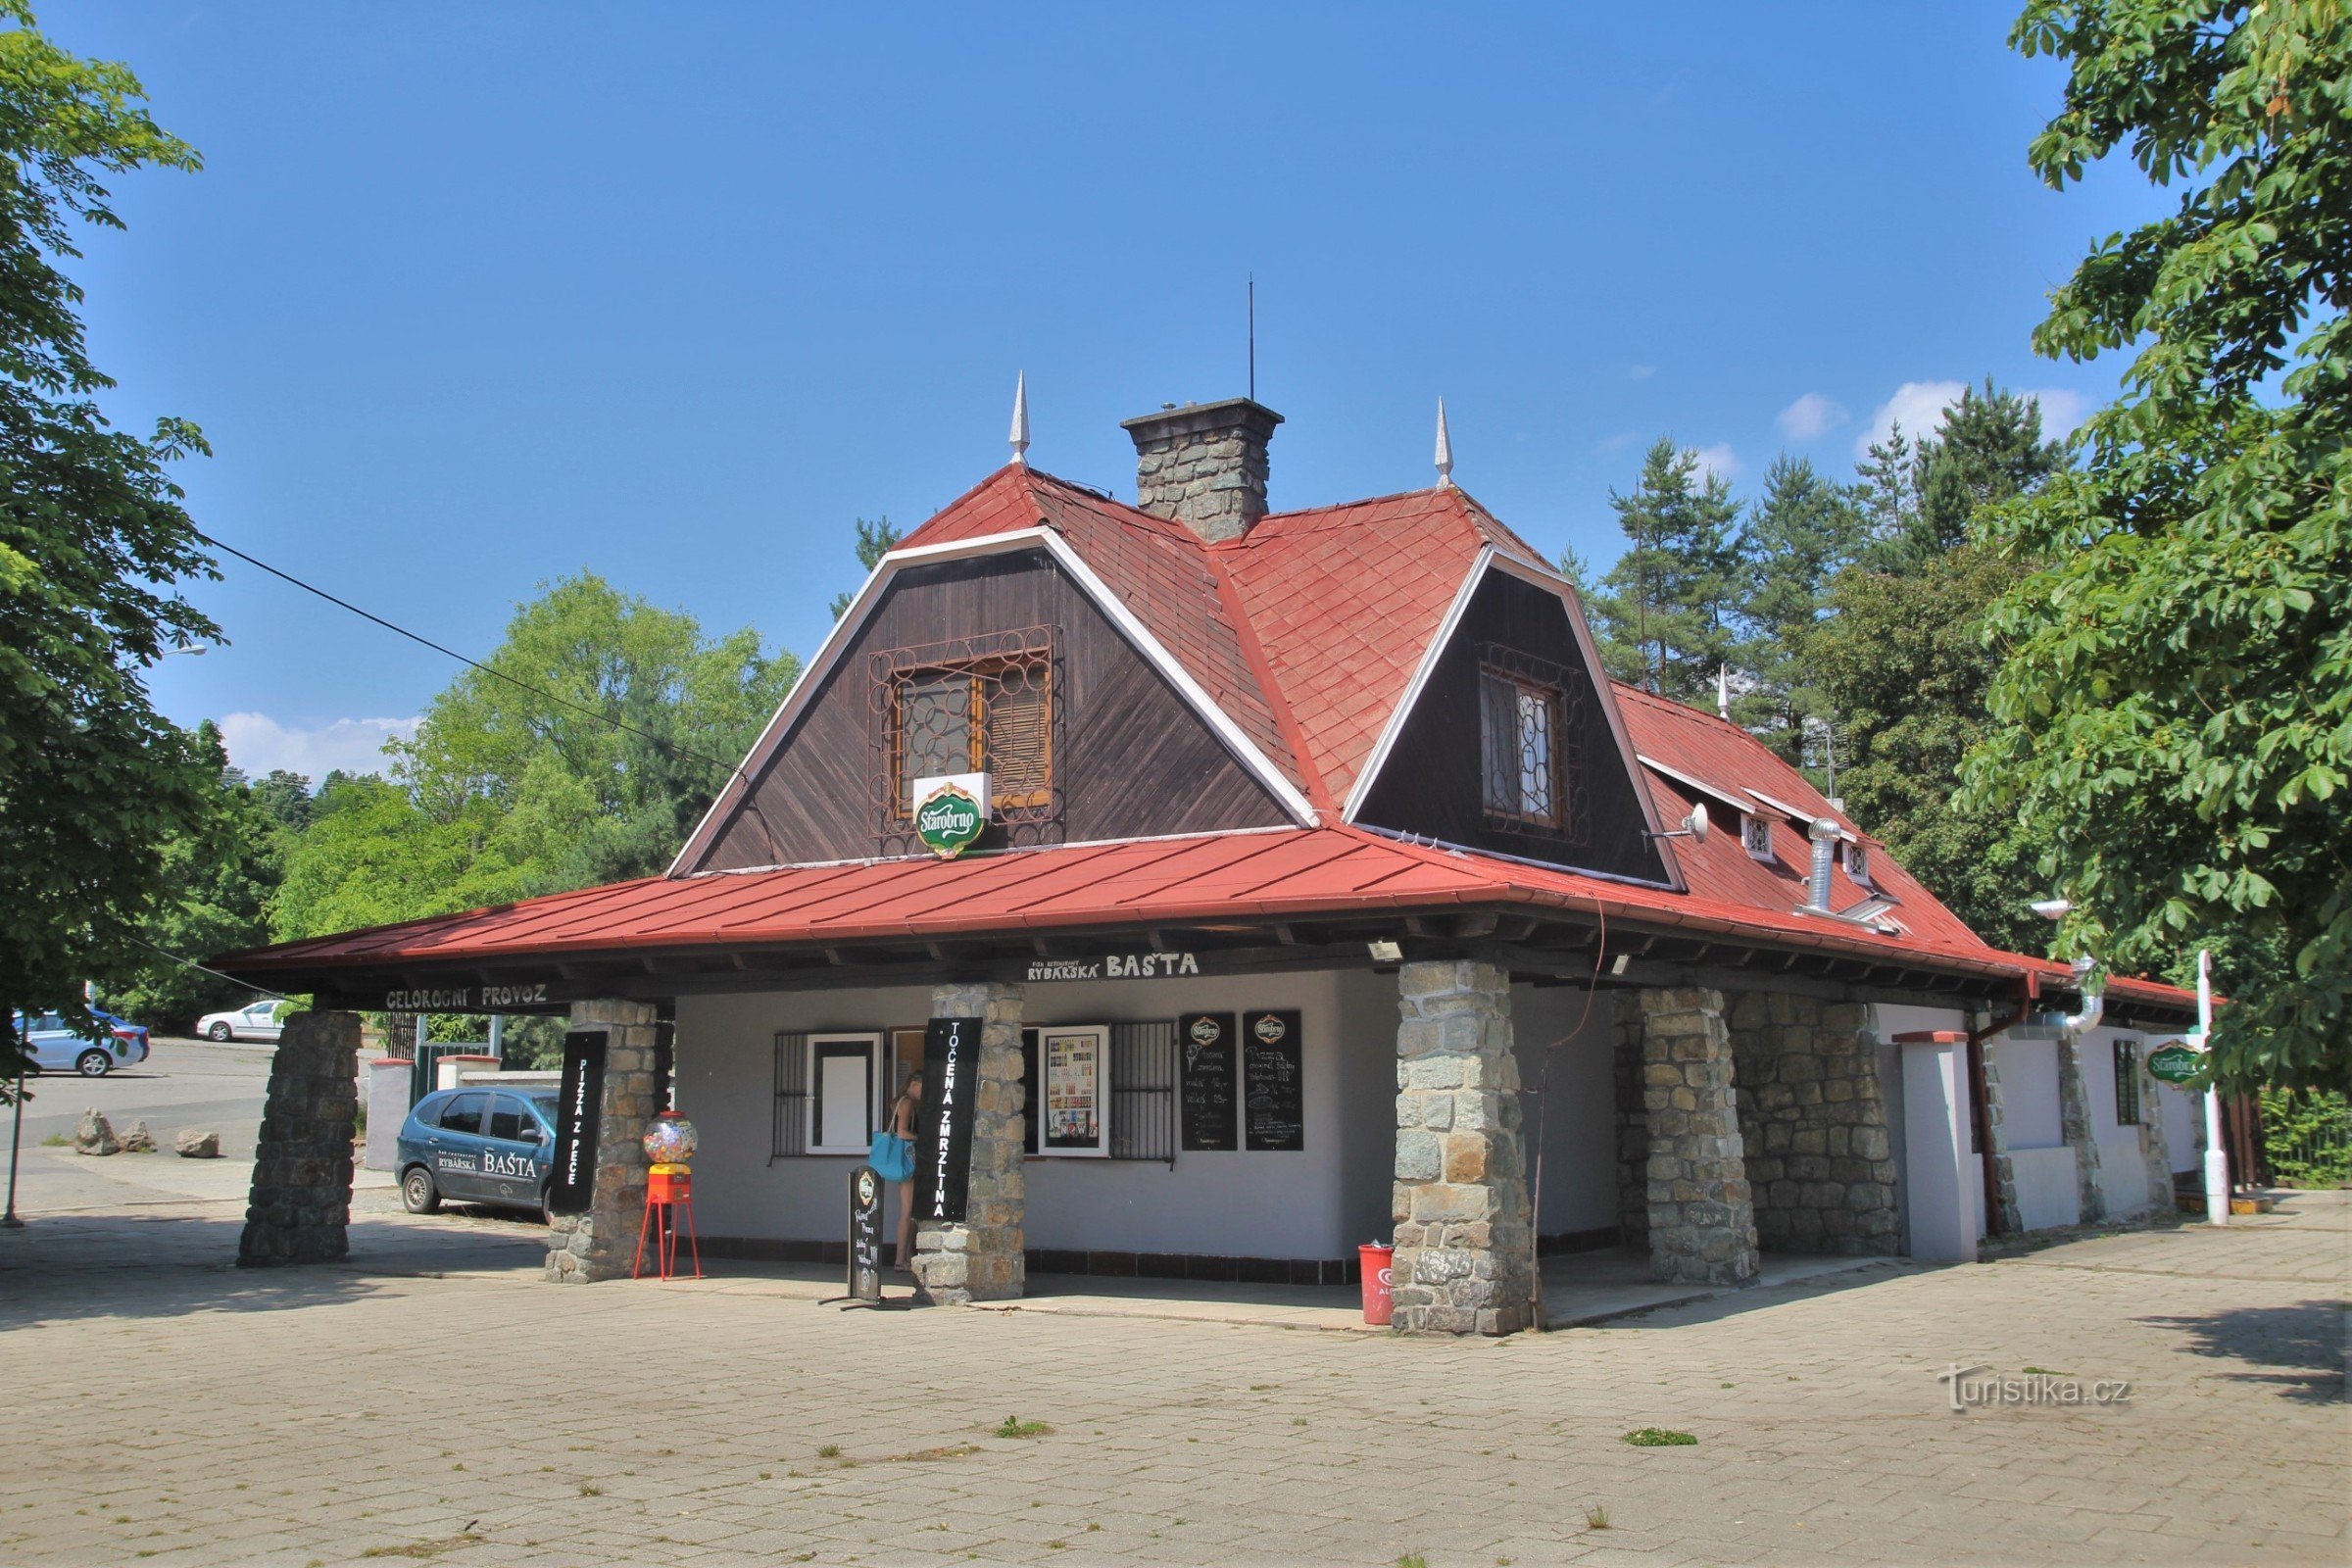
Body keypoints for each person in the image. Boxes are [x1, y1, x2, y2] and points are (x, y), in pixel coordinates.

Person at [887, 1069, 923, 1270]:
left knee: (909, 1210)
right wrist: (921, 1138)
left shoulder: (897, 1102)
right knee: (907, 1210)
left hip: (902, 1160)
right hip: (908, 1159)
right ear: (914, 1084)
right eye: (922, 1089)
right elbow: (901, 1132)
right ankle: (901, 1259)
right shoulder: (908, 1103)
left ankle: (906, 1256)